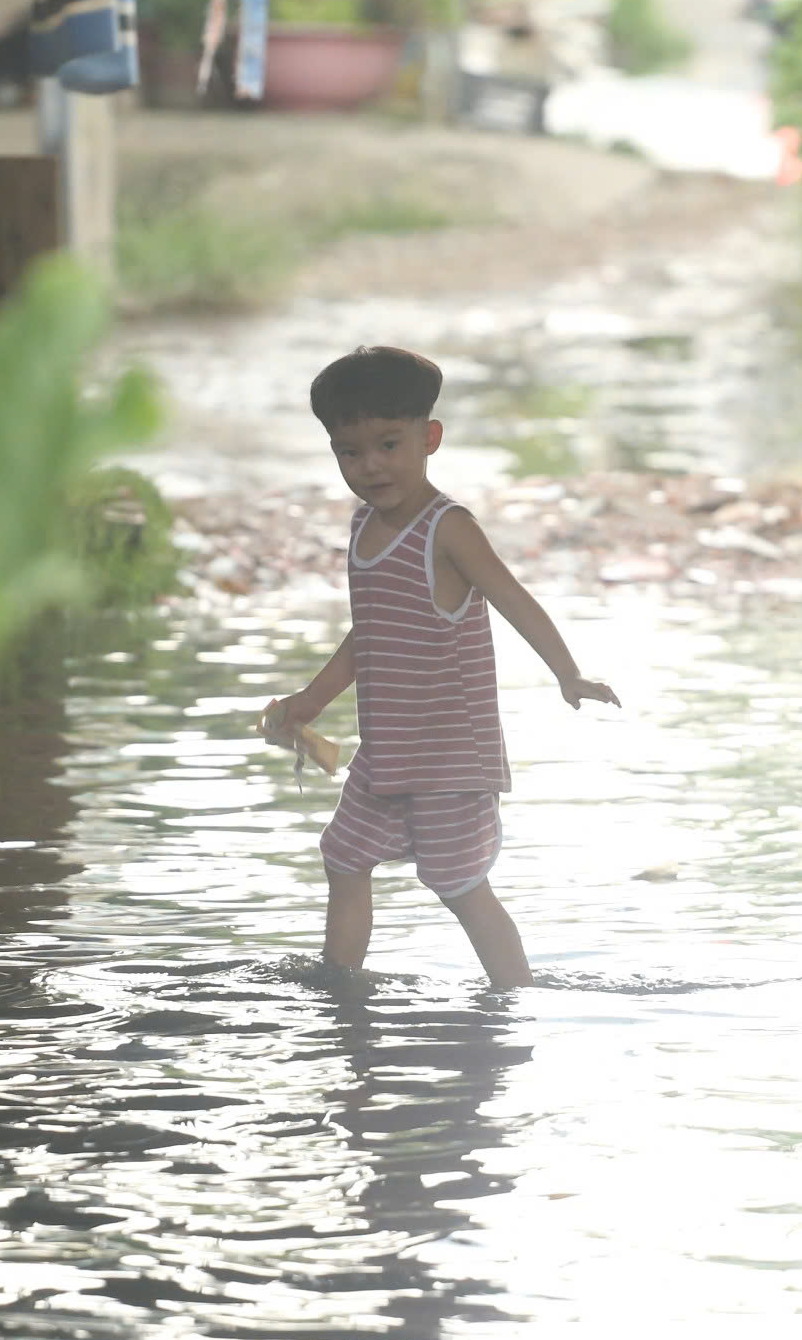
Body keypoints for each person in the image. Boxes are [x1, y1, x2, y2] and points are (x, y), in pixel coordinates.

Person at [260, 347, 619, 990]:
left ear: (430, 438)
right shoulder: (364, 527)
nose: (370, 465)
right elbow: (370, 634)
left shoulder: (446, 528)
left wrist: (568, 673)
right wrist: (310, 701)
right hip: (390, 750)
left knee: (459, 885)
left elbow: (512, 598)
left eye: (388, 444)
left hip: (451, 754)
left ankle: (516, 997)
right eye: (349, 451)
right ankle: (340, 986)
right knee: (343, 857)